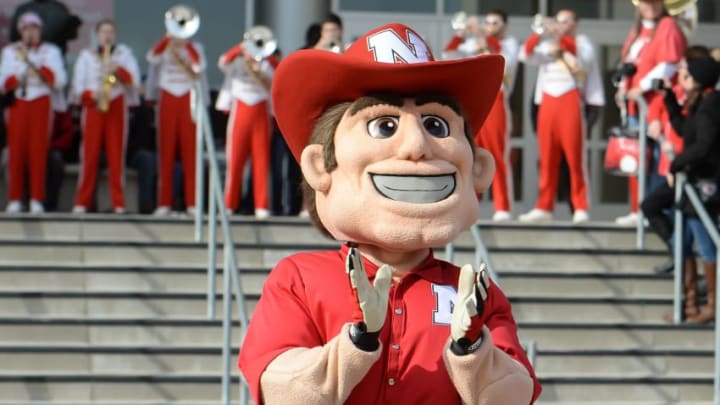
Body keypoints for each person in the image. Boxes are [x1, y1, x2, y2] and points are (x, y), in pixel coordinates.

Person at [239, 23, 540, 404]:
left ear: (478, 168)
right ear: (320, 167)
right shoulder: (298, 280)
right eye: (385, 125)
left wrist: (473, 350)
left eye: (435, 124)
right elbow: (280, 390)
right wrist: (356, 343)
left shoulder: (476, 296)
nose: (416, 146)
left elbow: (515, 396)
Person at [641, 56, 720, 323]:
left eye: (686, 74)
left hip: (702, 182)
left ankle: (711, 305)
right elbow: (685, 130)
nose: (681, 78)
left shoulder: (711, 106)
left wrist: (676, 164)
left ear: (699, 79)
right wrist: (670, 100)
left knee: (706, 243)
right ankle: (689, 304)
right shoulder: (700, 103)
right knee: (680, 238)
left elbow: (704, 145)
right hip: (690, 179)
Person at [518, 9, 605, 223]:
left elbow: (583, 60)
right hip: (548, 101)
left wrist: (560, 37)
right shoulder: (549, 44)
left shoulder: (583, 42)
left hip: (570, 99)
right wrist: (539, 34)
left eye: (566, 21)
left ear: (575, 23)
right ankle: (544, 207)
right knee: (547, 158)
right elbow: (525, 54)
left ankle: (581, 206)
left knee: (575, 158)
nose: (561, 24)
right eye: (558, 21)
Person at [614, 0, 687, 226]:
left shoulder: (667, 25)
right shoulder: (637, 31)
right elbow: (629, 64)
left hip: (655, 105)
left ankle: (654, 212)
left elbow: (669, 64)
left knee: (654, 160)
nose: (650, 5)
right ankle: (638, 209)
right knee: (635, 158)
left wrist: (642, 86)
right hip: (636, 105)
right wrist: (622, 89)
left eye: (655, 1)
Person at [71, 19, 140, 214]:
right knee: (89, 156)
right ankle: (82, 202)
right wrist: (91, 95)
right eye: (103, 32)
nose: (107, 36)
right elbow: (77, 87)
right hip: (94, 106)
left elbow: (134, 81)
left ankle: (119, 203)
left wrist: (117, 70)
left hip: (116, 105)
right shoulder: (86, 56)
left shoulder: (124, 54)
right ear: (97, 35)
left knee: (116, 156)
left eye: (110, 32)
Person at [1, 11, 67, 213]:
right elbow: (2, 82)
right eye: (27, 29)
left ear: (40, 31)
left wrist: (38, 68)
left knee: (38, 151)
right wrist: (19, 75)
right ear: (21, 31)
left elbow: (60, 81)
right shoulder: (10, 52)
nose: (31, 33)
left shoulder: (51, 51)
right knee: (16, 151)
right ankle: (15, 198)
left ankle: (37, 198)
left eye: (34, 29)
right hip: (18, 103)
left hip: (41, 102)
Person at [145, 23, 208, 216]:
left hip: (188, 98)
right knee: (166, 153)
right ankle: (164, 203)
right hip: (168, 97)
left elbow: (199, 66)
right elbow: (152, 57)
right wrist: (167, 39)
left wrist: (186, 43)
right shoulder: (164, 47)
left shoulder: (195, 48)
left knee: (191, 154)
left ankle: (193, 203)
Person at [216, 31, 277, 218]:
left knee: (261, 161)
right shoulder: (237, 62)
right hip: (240, 110)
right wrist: (241, 48)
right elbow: (223, 62)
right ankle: (229, 204)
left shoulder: (267, 64)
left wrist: (260, 69)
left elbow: (277, 78)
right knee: (235, 160)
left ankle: (262, 206)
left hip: (260, 112)